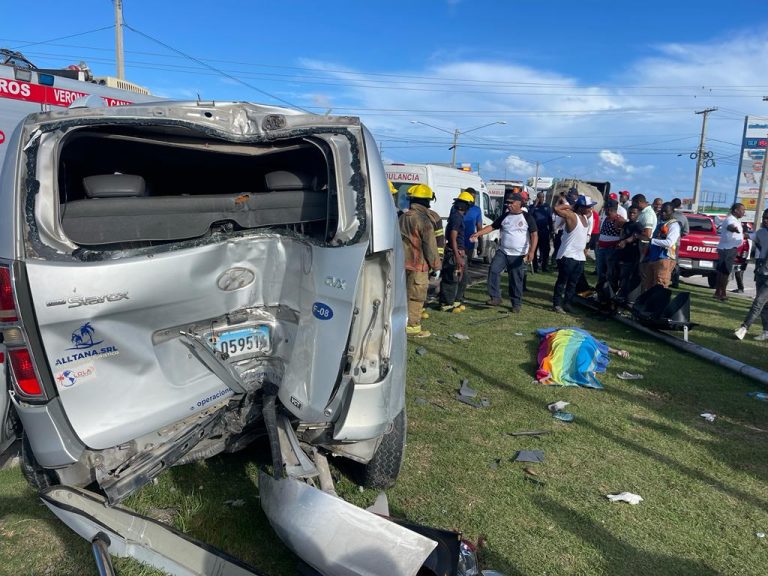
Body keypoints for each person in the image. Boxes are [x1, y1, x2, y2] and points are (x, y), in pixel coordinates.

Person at [471, 193, 538, 312]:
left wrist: (531, 251)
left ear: (519, 203)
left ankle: (516, 304)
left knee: (516, 279)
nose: (508, 205)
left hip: (519, 254)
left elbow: (534, 234)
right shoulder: (505, 216)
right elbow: (492, 227)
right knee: (493, 270)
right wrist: (478, 233)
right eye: (507, 203)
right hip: (503, 252)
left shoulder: (527, 217)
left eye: (511, 203)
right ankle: (495, 297)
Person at [399, 184, 441, 337]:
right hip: (418, 266)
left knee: (402, 295)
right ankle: (413, 327)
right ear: (428, 201)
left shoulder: (403, 217)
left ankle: (400, 323)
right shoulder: (424, 220)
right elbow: (430, 246)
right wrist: (436, 266)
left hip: (401, 264)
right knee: (416, 297)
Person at [552, 194, 595, 313]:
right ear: (581, 207)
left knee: (573, 283)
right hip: (568, 255)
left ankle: (567, 303)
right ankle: (557, 304)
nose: (590, 209)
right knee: (562, 281)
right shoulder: (572, 216)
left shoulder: (585, 217)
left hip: (579, 256)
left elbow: (591, 214)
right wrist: (571, 205)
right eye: (588, 207)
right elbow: (556, 209)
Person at [735, 209, 768, 340]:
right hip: (761, 271)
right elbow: (750, 236)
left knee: (758, 302)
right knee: (765, 305)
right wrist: (739, 231)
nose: (766, 220)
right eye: (764, 217)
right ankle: (766, 331)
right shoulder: (761, 232)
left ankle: (744, 328)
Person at [440, 192, 472, 312]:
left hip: (459, 252)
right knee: (451, 278)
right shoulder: (456, 217)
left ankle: (456, 301)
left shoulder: (458, 216)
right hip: (454, 253)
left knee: (462, 279)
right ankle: (446, 303)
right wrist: (457, 256)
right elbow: (453, 237)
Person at [641, 202, 680, 290]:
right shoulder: (661, 224)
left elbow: (669, 242)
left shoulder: (674, 225)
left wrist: (652, 240)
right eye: (662, 211)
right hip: (653, 258)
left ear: (672, 212)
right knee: (648, 286)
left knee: (660, 286)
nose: (663, 213)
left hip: (664, 259)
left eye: (666, 211)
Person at [714, 203, 746, 301]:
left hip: (727, 248)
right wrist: (734, 229)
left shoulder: (735, 220)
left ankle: (717, 292)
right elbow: (730, 226)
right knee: (725, 272)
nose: (743, 212)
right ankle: (722, 293)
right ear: (736, 210)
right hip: (728, 249)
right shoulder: (730, 220)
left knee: (722, 271)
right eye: (742, 210)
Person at [596, 199, 625, 289]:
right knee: (600, 271)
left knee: (610, 272)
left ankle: (610, 290)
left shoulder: (619, 220)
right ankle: (600, 289)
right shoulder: (606, 218)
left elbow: (623, 235)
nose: (604, 210)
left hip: (611, 250)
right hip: (602, 249)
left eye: (605, 209)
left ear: (609, 209)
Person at [615, 205, 643, 302]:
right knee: (618, 275)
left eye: (634, 213)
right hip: (622, 253)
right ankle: (618, 294)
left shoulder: (638, 226)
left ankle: (623, 296)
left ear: (638, 214)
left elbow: (635, 236)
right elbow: (622, 235)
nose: (631, 214)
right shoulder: (626, 224)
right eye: (630, 212)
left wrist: (625, 241)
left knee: (626, 276)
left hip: (631, 255)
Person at [631, 194, 658, 289]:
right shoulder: (643, 212)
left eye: (634, 203)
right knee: (638, 272)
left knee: (643, 273)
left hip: (644, 246)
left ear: (639, 202)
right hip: (641, 245)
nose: (633, 205)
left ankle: (643, 296)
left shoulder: (648, 214)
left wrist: (636, 235)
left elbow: (647, 233)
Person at [531, 192, 553, 272]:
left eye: (542, 197)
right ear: (537, 197)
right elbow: (529, 216)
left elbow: (550, 219)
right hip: (535, 231)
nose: (541, 199)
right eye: (540, 197)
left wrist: (551, 231)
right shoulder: (532, 207)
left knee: (546, 250)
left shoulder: (547, 207)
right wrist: (534, 205)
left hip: (544, 231)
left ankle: (544, 267)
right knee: (534, 249)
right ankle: (535, 267)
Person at [462, 187, 483, 263]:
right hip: (457, 241)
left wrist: (480, 244)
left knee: (466, 264)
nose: (473, 199)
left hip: (469, 242)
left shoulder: (477, 210)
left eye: (474, 197)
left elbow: (479, 228)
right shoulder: (456, 208)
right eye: (471, 197)